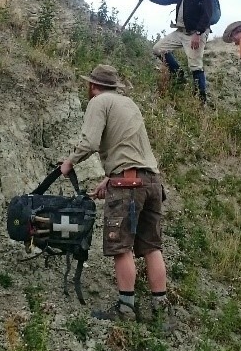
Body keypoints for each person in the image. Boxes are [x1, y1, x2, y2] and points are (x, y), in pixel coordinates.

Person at [58, 64, 173, 331]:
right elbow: (131, 148)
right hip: (152, 181)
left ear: (92, 86)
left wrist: (69, 163)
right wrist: (110, 179)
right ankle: (161, 310)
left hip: (128, 185)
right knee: (152, 248)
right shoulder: (128, 103)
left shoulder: (99, 102)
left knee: (121, 246)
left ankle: (126, 308)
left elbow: (89, 143)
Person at [141, 0, 218, 103]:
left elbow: (207, 14)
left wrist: (199, 33)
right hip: (180, 31)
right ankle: (178, 74)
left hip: (196, 33)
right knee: (158, 49)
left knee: (195, 65)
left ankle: (201, 100)